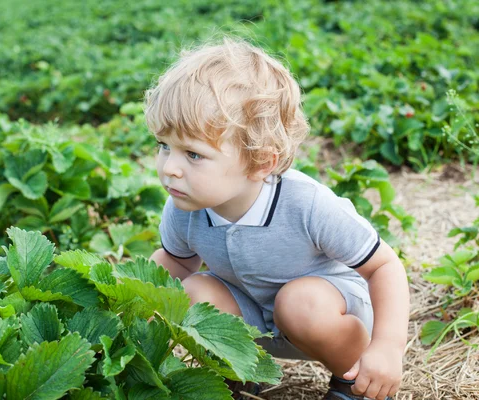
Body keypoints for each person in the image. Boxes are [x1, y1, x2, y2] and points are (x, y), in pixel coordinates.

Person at [145, 37, 409, 400]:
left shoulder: (307, 204)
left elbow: (384, 267)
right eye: (163, 146)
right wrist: (136, 307)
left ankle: (353, 379)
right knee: (194, 293)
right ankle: (237, 370)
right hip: (254, 317)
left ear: (261, 162)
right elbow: (174, 262)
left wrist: (388, 346)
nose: (169, 168)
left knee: (300, 302)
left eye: (192, 154)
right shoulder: (185, 205)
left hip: (327, 315)